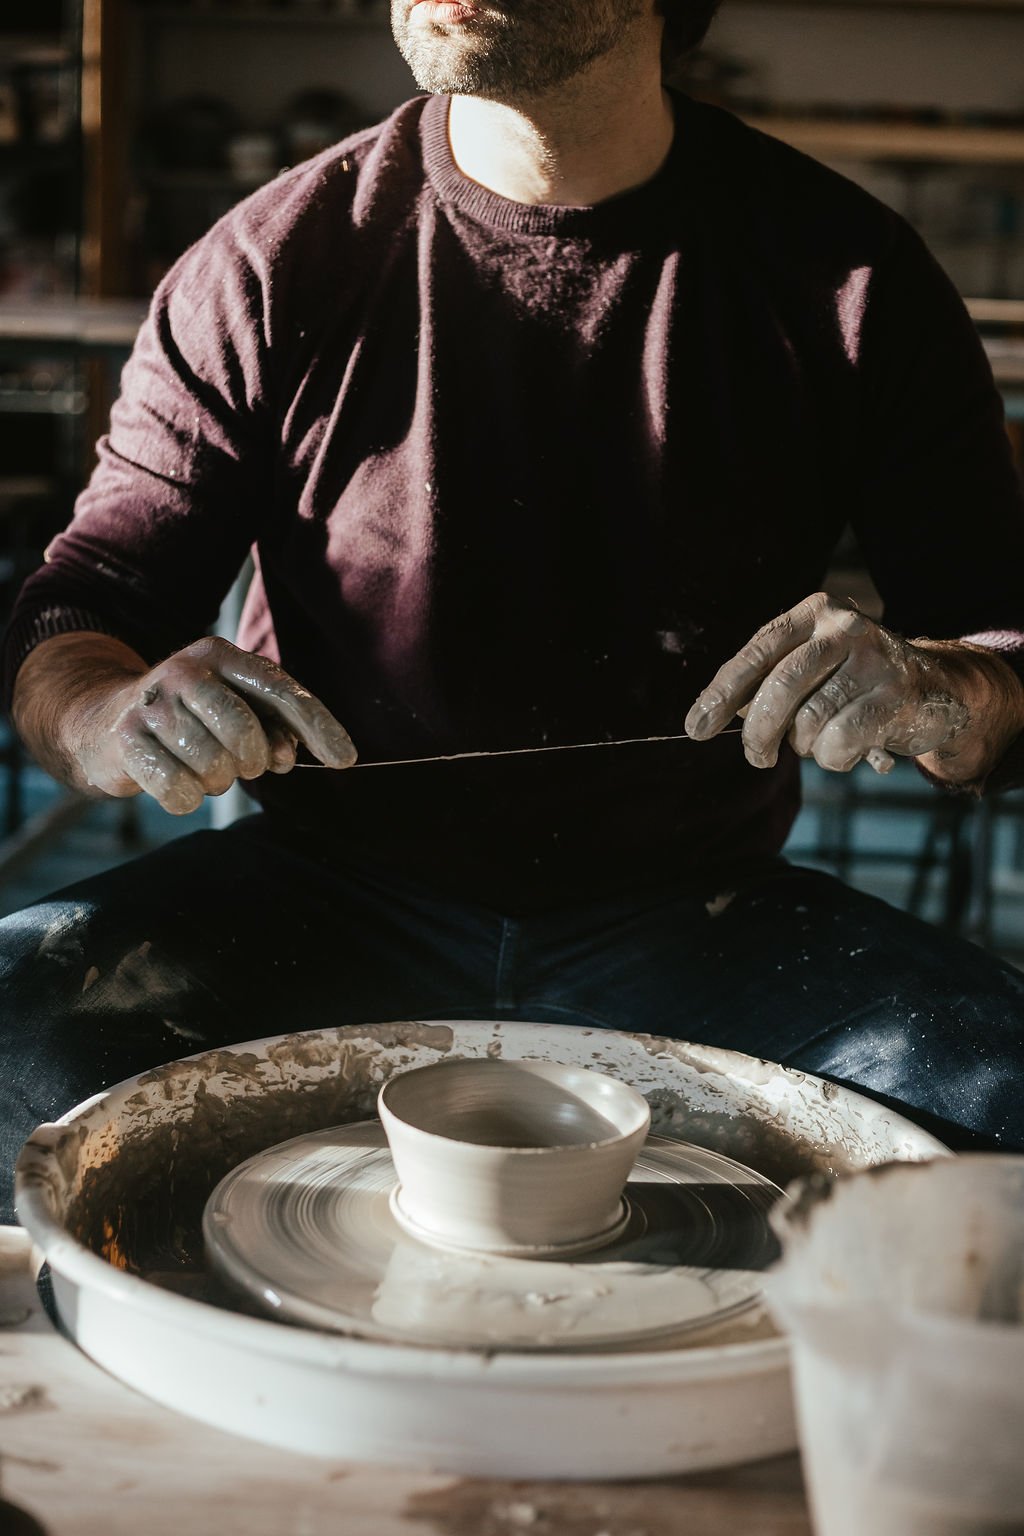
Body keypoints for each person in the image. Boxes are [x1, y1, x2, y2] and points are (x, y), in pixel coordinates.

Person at [2, 0, 1024, 1222]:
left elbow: (1000, 647)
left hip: (699, 908)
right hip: (320, 896)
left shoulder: (845, 273)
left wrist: (936, 690)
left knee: (1000, 1096)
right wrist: (112, 712)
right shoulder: (275, 259)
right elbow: (86, 607)